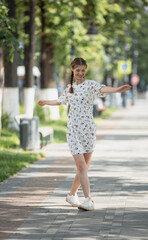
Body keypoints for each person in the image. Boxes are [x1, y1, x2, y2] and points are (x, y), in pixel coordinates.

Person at [38, 57, 131, 211]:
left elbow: (102, 89)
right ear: (72, 70)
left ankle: (72, 195)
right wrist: (46, 102)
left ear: (85, 70)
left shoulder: (90, 85)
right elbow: (60, 101)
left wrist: (117, 90)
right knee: (81, 166)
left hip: (88, 131)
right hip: (73, 132)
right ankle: (88, 199)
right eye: (78, 70)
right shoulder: (69, 88)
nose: (80, 73)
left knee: (84, 168)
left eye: (83, 70)